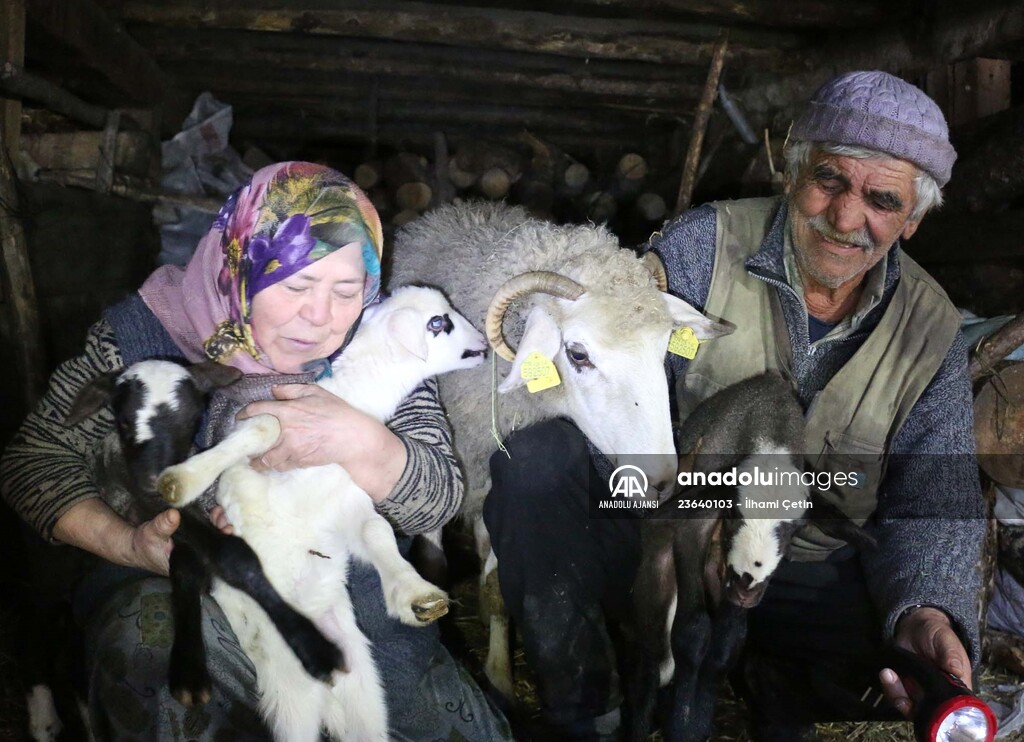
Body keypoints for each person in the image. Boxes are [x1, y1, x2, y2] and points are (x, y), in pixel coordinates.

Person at [483, 70, 984, 741]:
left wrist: (928, 613)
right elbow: (605, 367)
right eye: (829, 179)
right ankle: (584, 707)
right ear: (792, 169)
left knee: (893, 673)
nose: (843, 217)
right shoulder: (701, 247)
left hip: (807, 568)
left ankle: (764, 668)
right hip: (671, 536)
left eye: (882, 199)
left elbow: (934, 497)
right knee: (536, 462)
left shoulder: (933, 329)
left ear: (914, 219)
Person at [1, 162, 511, 741]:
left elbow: (439, 500)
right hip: (181, 590)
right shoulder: (140, 337)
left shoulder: (386, 340)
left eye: (346, 291)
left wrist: (359, 438)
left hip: (342, 586)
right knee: (161, 666)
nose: (320, 317)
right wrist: (128, 543)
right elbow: (31, 461)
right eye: (294, 285)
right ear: (238, 267)